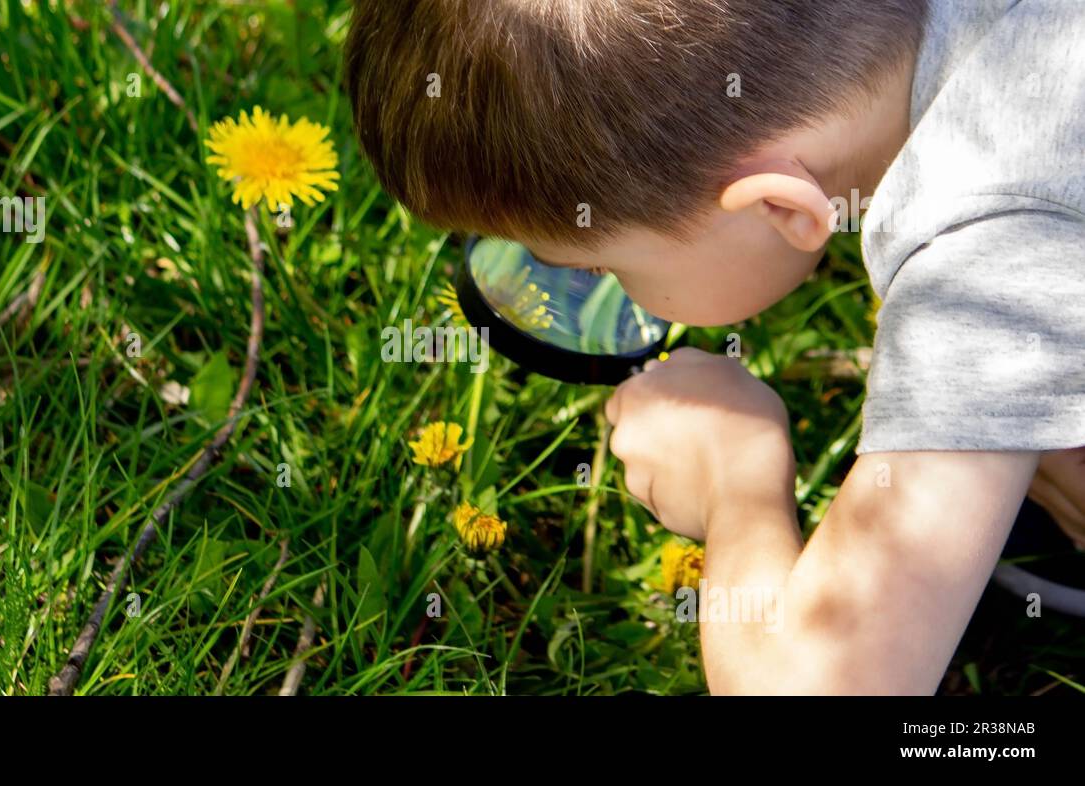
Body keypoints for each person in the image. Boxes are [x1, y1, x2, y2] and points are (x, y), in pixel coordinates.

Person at [344, 0, 1085, 693]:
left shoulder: (985, 252)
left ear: (778, 206)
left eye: (602, 266)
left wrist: (738, 491)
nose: (603, 286)